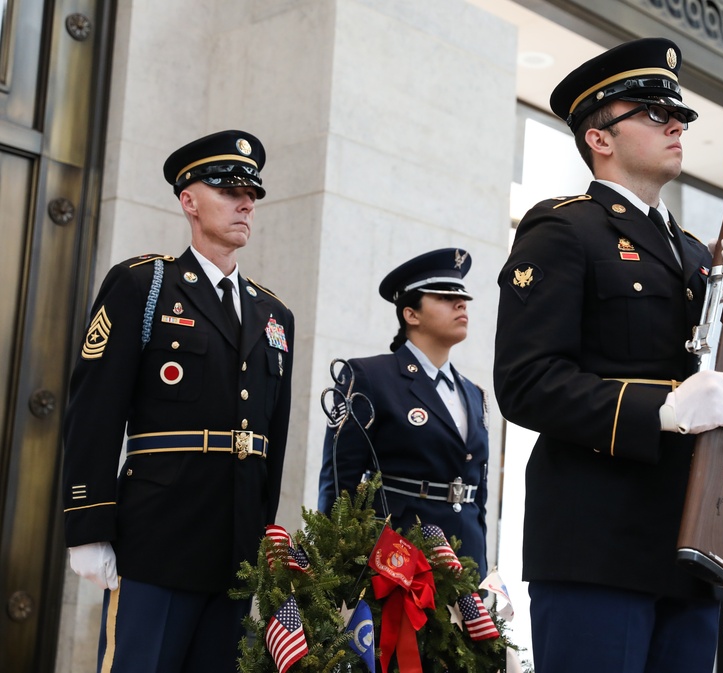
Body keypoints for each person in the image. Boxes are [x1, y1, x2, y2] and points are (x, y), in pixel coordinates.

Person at [493, 37, 723, 673]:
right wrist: (663, 409)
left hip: (692, 540)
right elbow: (526, 382)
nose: (675, 124)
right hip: (599, 542)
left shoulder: (701, 255)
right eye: (651, 113)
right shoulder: (565, 229)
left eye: (676, 114)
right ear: (600, 137)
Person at [62, 130, 295, 672]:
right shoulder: (143, 285)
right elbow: (95, 410)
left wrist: (261, 533)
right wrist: (88, 526)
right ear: (189, 200)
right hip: (157, 539)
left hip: (235, 547)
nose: (245, 203)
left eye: (251, 194)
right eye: (228, 190)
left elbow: (272, 438)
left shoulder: (273, 315)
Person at [317, 248, 490, 575]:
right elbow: (340, 482)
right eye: (443, 297)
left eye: (463, 298)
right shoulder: (368, 376)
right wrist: (332, 563)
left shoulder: (474, 393)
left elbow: (477, 493)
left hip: (465, 556)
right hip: (398, 554)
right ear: (411, 314)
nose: (461, 303)